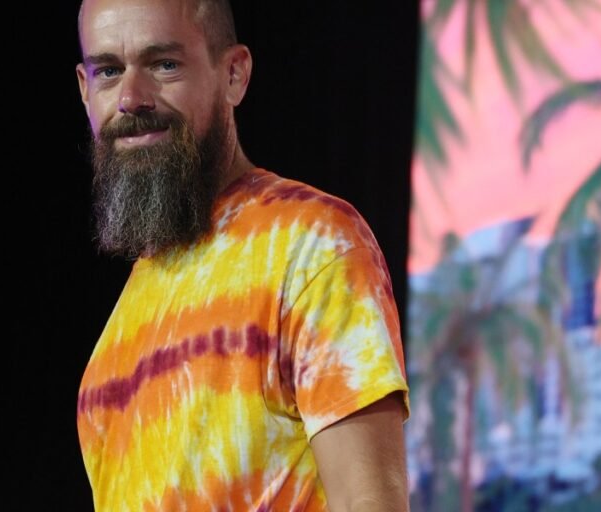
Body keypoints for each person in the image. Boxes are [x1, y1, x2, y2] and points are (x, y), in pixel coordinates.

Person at [73, 0, 410, 509]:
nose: (131, 98)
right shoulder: (108, 358)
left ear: (233, 74)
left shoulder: (311, 245)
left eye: (164, 64)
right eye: (109, 71)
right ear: (85, 89)